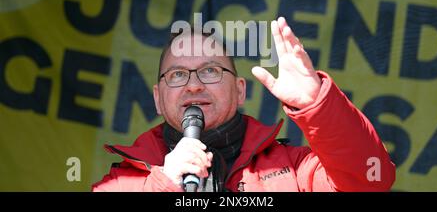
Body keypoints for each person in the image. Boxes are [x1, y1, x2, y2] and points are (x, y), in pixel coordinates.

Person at [92, 17, 395, 192]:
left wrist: (317, 103)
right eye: (178, 74)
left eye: (210, 71)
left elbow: (372, 180)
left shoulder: (295, 168)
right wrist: (164, 184)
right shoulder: (122, 182)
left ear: (240, 91)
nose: (194, 84)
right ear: (158, 98)